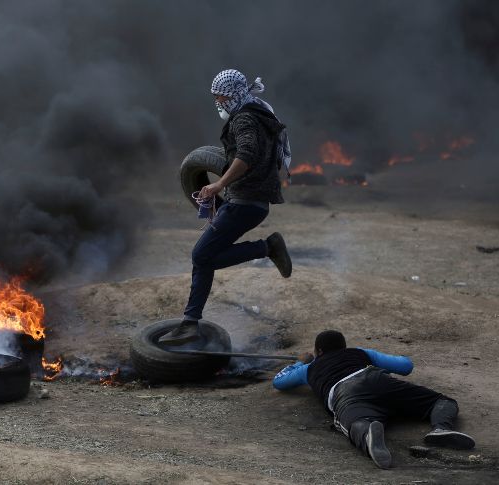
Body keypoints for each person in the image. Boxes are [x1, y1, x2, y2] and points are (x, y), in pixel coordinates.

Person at [159, 69, 293, 345]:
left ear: (233, 95)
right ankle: (190, 322)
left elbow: (246, 155)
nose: (217, 101)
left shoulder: (244, 119)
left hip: (245, 202)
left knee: (201, 256)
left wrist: (218, 186)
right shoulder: (257, 112)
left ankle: (267, 247)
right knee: (205, 257)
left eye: (220, 96)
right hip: (250, 202)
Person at [273, 330, 475, 469]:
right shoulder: (360, 353)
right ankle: (441, 427)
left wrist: (299, 363)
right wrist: (373, 361)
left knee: (355, 423)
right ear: (344, 347)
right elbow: (406, 366)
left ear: (319, 351)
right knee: (441, 402)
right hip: (374, 378)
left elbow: (279, 382)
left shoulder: (309, 369)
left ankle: (368, 433)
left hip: (345, 393)